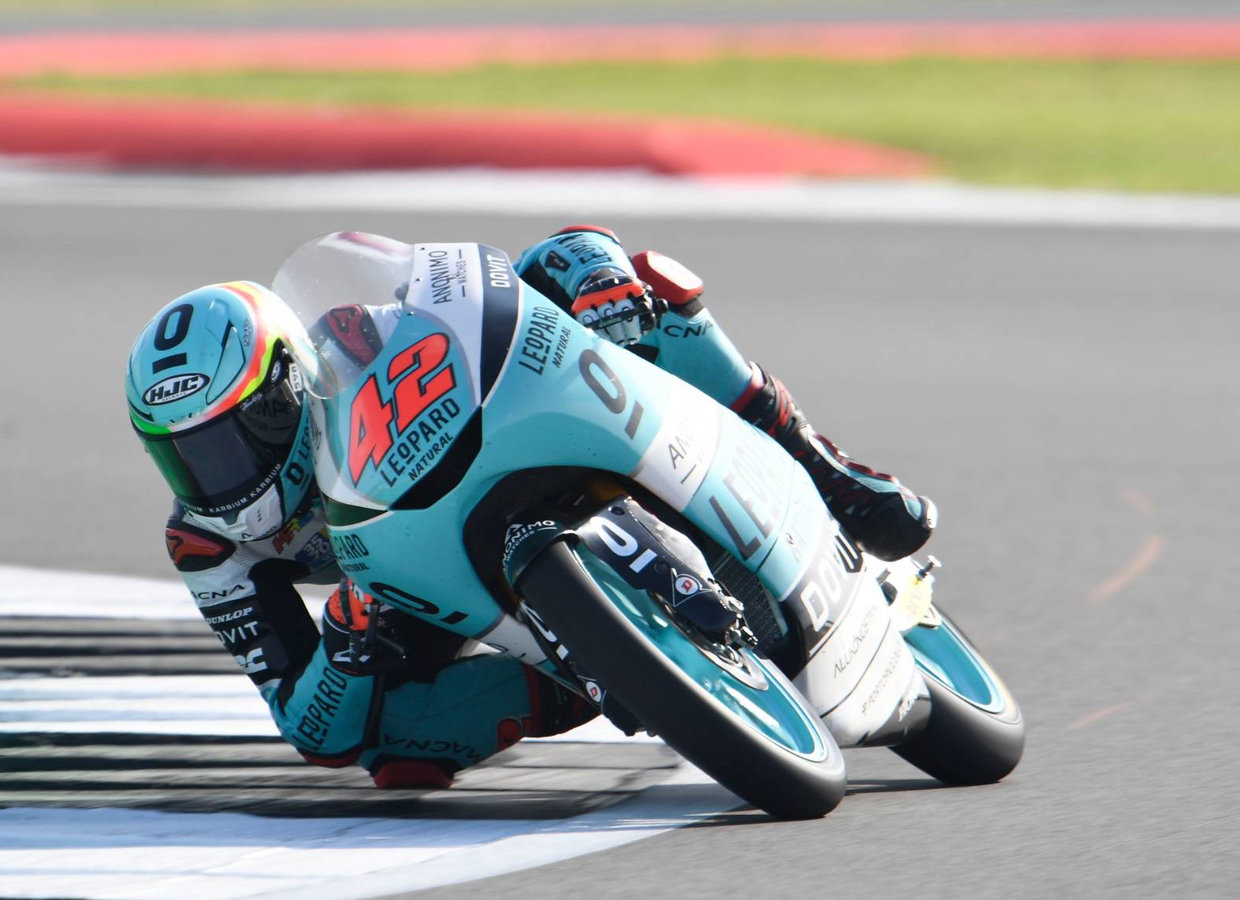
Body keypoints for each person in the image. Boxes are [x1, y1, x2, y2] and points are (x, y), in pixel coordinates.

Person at [124, 226, 935, 789]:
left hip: (501, 443)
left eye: (231, 441)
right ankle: (598, 678)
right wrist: (343, 646)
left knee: (638, 288)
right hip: (407, 587)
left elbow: (504, 281)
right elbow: (308, 725)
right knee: (395, 754)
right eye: (184, 458)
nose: (216, 477)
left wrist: (589, 275)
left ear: (290, 385)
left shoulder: (354, 336)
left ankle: (826, 469)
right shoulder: (207, 545)